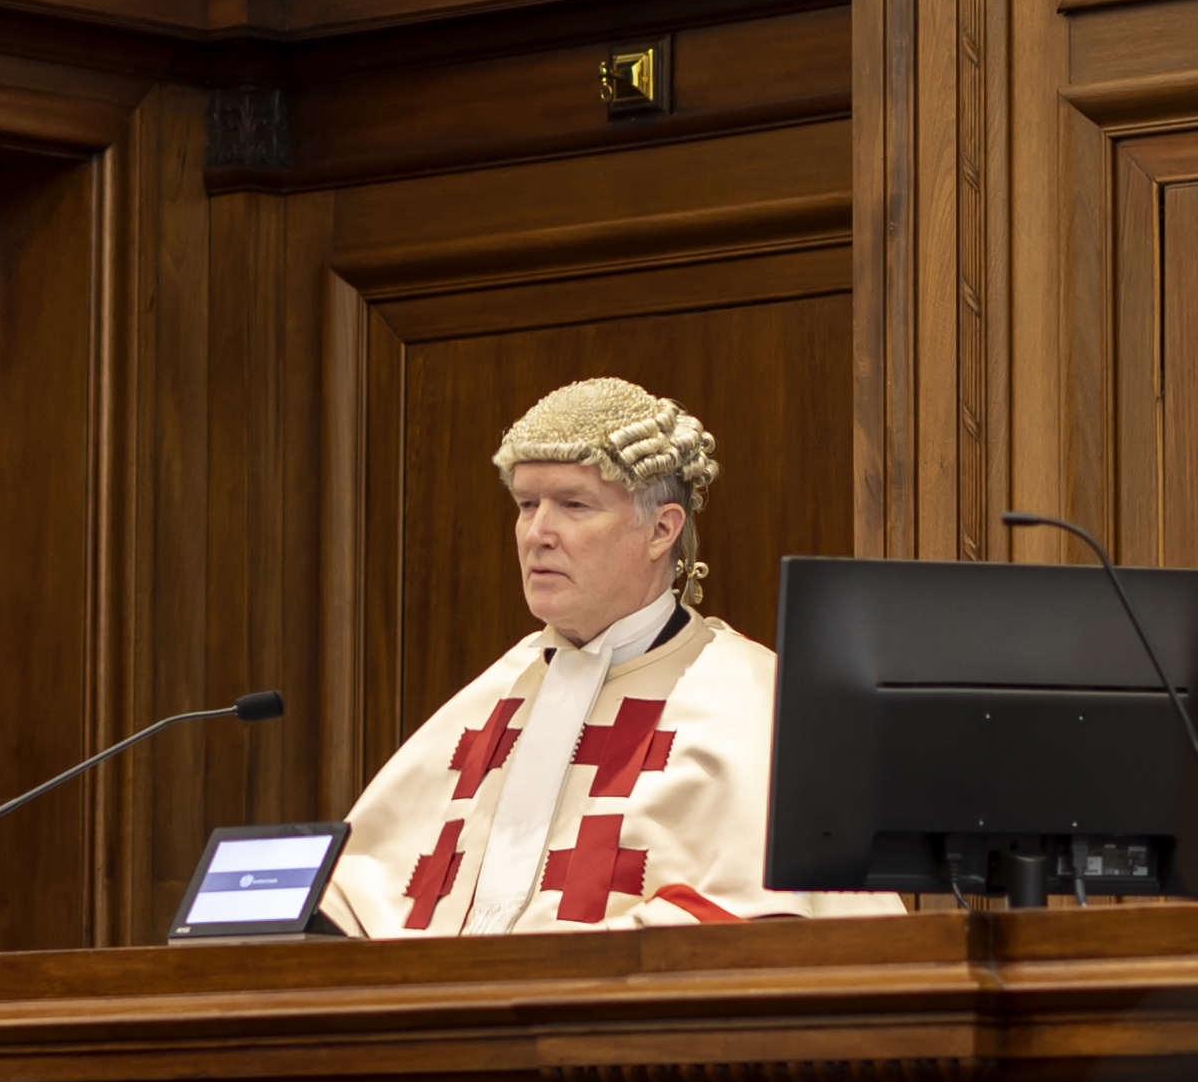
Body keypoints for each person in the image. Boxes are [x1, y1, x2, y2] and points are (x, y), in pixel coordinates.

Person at [326, 376, 900, 936]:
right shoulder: (495, 691)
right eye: (527, 504)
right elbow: (358, 896)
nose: (538, 533)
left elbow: (761, 925)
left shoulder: (755, 699)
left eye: (574, 505)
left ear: (660, 530)